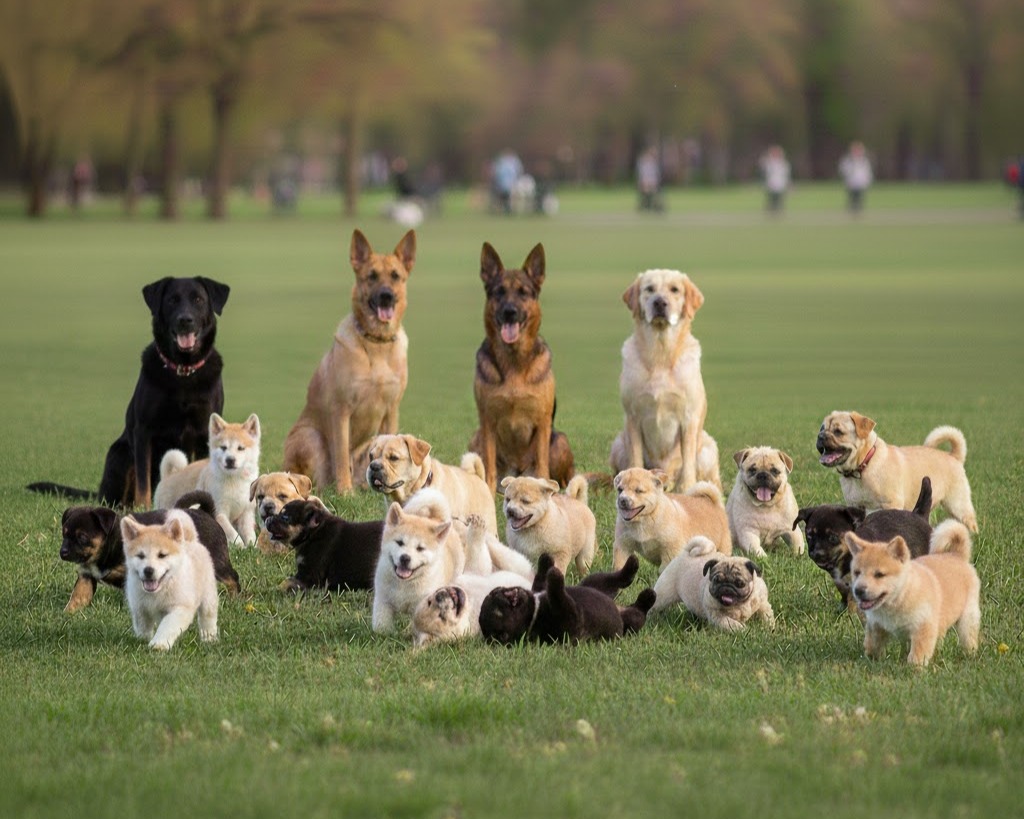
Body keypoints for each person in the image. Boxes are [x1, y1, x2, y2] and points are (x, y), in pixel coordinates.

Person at [838, 141, 873, 213]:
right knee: (852, 197)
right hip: (851, 182)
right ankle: (851, 210)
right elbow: (843, 169)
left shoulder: (864, 161)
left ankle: (859, 210)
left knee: (860, 198)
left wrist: (867, 181)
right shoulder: (848, 160)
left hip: (861, 183)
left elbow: (867, 172)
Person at [759, 145, 790, 214]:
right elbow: (762, 166)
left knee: (779, 198)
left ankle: (778, 211)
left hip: (780, 183)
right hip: (771, 182)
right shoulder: (769, 162)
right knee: (771, 198)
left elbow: (786, 174)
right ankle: (771, 211)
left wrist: (788, 184)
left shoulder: (783, 163)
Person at [491, 149, 523, 214]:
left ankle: (507, 209)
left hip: (509, 185)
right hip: (504, 185)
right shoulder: (503, 162)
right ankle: (505, 209)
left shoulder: (512, 162)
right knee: (504, 197)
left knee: (508, 198)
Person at [636, 147, 663, 212]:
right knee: (646, 190)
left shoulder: (654, 164)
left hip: (652, 181)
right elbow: (642, 174)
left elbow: (656, 174)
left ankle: (655, 206)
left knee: (654, 191)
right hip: (645, 181)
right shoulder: (643, 163)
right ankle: (646, 205)